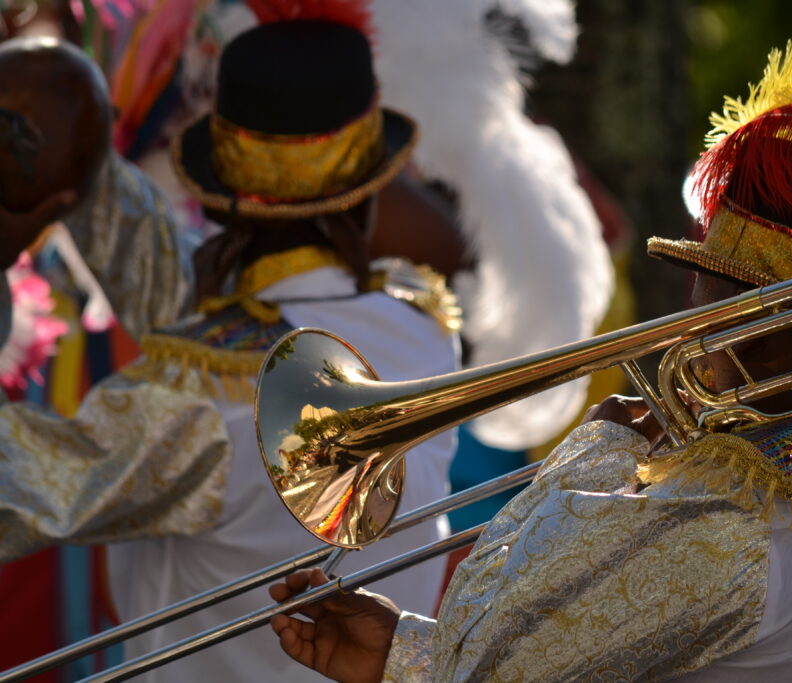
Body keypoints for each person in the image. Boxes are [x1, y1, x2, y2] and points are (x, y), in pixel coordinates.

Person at [266, 2, 792, 680]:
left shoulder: (740, 512)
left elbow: (483, 660)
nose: (695, 327)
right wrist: (401, 653)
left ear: (776, 323)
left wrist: (596, 454)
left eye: (714, 293)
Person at [0, 6, 461, 683]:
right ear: (368, 192)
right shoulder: (423, 322)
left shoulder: (199, 402)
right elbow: (200, 299)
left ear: (217, 195)